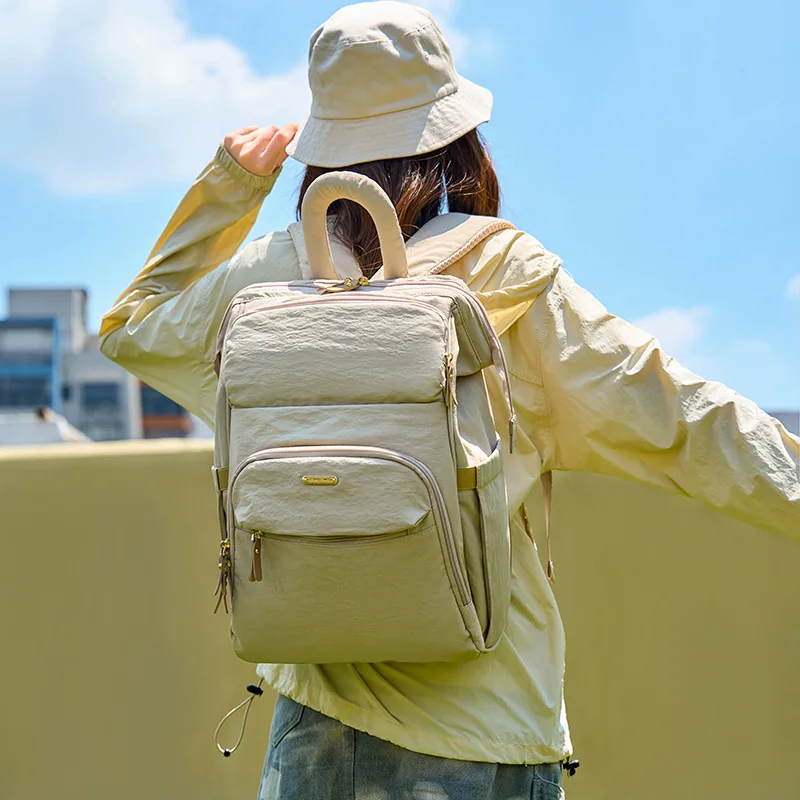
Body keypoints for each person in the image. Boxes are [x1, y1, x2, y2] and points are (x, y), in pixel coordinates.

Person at [99, 2, 799, 798]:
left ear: (321, 148)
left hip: (315, 735)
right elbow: (683, 420)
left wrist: (229, 188)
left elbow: (130, 328)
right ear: (458, 140)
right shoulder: (505, 274)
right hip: (485, 731)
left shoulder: (264, 282)